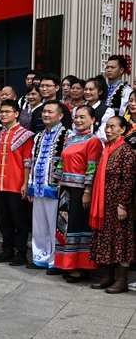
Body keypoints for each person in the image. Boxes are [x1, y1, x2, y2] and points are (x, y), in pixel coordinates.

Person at [54, 105, 103, 281]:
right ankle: (64, 263)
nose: (79, 120)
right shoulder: (69, 138)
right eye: (76, 117)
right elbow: (60, 161)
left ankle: (79, 267)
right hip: (65, 189)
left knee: (76, 226)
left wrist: (87, 191)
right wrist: (58, 181)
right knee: (64, 226)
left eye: (83, 117)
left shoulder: (94, 140)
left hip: (80, 190)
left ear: (93, 120)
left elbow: (92, 167)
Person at [88, 116, 136, 293]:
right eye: (106, 127)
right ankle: (107, 276)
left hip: (118, 203)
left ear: (123, 130)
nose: (108, 130)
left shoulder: (127, 151)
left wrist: (123, 204)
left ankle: (122, 279)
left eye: (112, 127)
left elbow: (129, 180)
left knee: (121, 240)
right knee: (105, 239)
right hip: (103, 202)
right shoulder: (106, 149)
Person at [26, 101, 69, 270]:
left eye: (50, 112)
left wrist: (59, 181)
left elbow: (64, 160)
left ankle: (55, 260)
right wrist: (30, 184)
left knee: (55, 225)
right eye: (44, 111)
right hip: (37, 187)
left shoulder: (67, 135)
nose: (45, 114)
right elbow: (34, 160)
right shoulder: (38, 136)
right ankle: (40, 256)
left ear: (60, 116)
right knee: (39, 224)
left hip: (54, 187)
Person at [0, 100, 34, 265]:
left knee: (20, 222)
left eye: (7, 112)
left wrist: (25, 184)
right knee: (4, 221)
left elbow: (27, 161)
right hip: (1, 184)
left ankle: (20, 252)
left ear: (16, 114)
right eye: (2, 112)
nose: (3, 114)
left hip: (17, 185)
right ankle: (7, 250)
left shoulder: (26, 135)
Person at [85, 76, 113, 142]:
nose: (87, 92)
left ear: (100, 92)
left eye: (91, 89)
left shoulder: (107, 111)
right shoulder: (78, 109)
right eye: (85, 89)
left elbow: (103, 136)